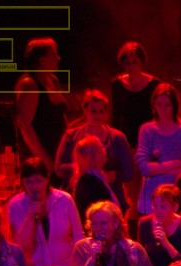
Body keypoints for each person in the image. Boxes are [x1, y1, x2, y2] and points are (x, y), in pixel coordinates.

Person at [55, 89, 134, 214]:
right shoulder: (71, 135)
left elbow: (128, 172)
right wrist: (87, 172)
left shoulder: (117, 137)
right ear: (85, 110)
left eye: (101, 111)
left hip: (110, 199)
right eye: (93, 111)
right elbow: (59, 168)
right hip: (81, 198)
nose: (97, 115)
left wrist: (106, 176)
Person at [8, 157, 84, 266]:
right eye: (29, 182)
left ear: (47, 179)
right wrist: (31, 217)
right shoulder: (16, 205)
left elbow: (78, 235)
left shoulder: (64, 200)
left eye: (38, 181)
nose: (34, 186)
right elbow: (19, 246)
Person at [135, 83, 181, 218]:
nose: (163, 109)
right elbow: (144, 167)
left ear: (175, 106)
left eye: (167, 105)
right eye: (159, 105)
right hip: (151, 197)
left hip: (178, 196)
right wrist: (176, 163)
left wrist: (158, 170)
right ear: (154, 105)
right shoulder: (147, 130)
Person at [15, 38, 67, 183]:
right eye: (54, 55)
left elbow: (60, 113)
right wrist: (46, 161)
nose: (59, 58)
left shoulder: (52, 80)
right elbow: (25, 127)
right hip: (39, 158)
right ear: (42, 60)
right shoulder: (29, 84)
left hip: (57, 151)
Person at [111, 42, 160, 152]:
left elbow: (158, 114)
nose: (131, 66)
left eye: (134, 62)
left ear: (141, 62)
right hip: (126, 138)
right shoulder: (117, 84)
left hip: (148, 137)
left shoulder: (153, 84)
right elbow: (116, 115)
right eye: (127, 63)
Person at [71, 135, 119, 221]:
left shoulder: (98, 176)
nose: (105, 149)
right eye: (101, 148)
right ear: (93, 156)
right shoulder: (89, 182)